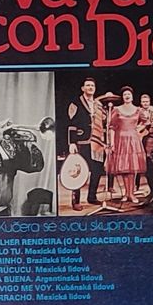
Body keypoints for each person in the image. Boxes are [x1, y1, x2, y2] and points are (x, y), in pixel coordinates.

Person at [65, 77, 106, 210]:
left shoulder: (98, 104)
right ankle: (75, 201)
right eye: (87, 85)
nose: (90, 87)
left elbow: (104, 121)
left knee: (97, 170)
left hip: (97, 142)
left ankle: (92, 197)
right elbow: (71, 124)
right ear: (83, 88)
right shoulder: (76, 103)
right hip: (82, 141)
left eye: (92, 86)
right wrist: (72, 143)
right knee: (78, 170)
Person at [105, 86, 147, 203]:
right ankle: (126, 193)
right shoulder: (117, 109)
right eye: (125, 94)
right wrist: (112, 143)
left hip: (133, 140)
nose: (127, 96)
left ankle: (131, 194)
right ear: (122, 97)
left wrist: (139, 129)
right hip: (120, 139)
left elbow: (145, 121)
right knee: (124, 167)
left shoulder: (138, 110)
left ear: (132, 96)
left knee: (132, 168)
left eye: (129, 94)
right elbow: (112, 127)